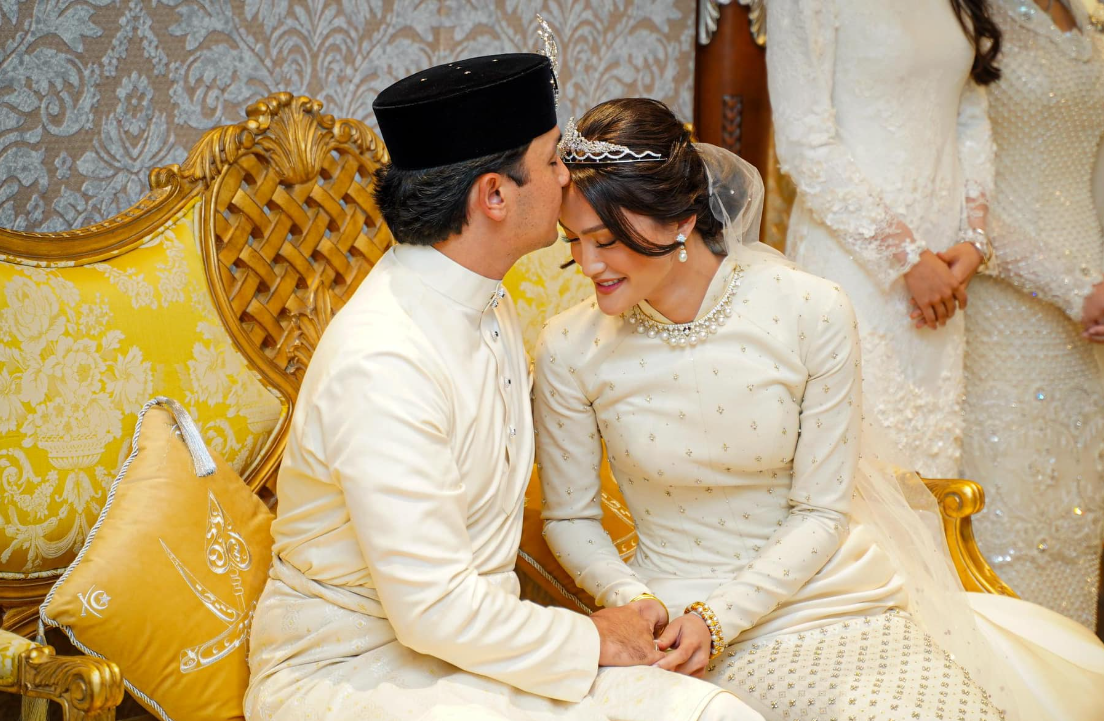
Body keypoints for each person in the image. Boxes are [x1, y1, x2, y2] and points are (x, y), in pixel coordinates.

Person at [534, 97, 1104, 721]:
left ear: (681, 220)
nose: (587, 264)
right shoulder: (570, 347)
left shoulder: (810, 310)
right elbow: (570, 518)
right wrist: (633, 600)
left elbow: (820, 511)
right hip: (676, 622)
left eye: (607, 240)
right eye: (574, 242)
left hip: (833, 598)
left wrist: (720, 617)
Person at [242, 55, 759, 721]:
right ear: (494, 196)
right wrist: (594, 637)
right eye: (551, 159)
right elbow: (432, 609)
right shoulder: (384, 360)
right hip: (352, 671)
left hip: (483, 654)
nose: (568, 174)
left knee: (714, 713)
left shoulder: (486, 301)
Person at [766, 0, 1001, 477]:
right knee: (853, 465)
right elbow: (805, 143)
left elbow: (971, 118)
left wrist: (974, 239)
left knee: (928, 460)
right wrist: (907, 259)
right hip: (852, 257)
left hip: (945, 268)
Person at [961, 0, 1104, 630]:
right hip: (1003, 302)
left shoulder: (1087, 16)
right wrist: (1075, 288)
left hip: (1091, 312)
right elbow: (961, 187)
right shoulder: (970, 17)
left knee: (1075, 507)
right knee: (1012, 501)